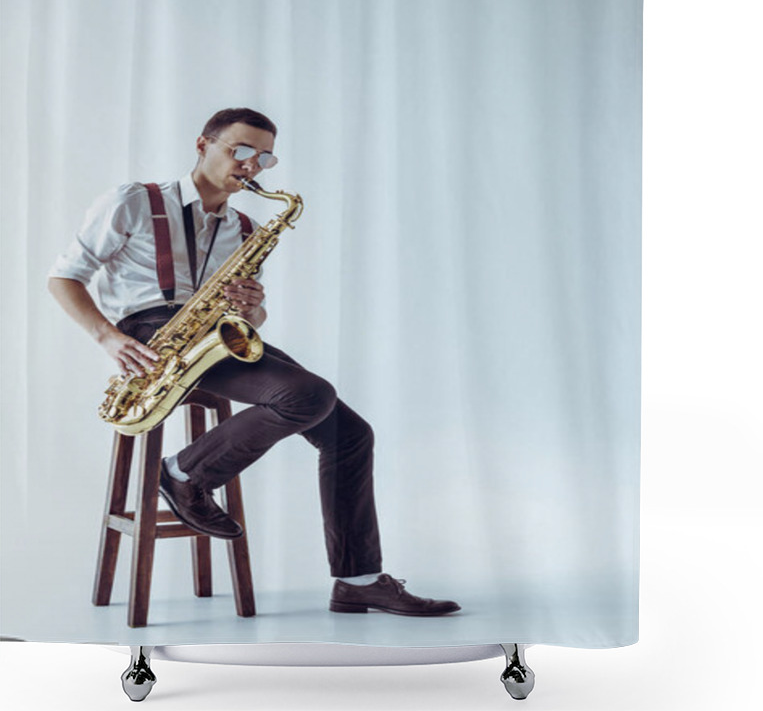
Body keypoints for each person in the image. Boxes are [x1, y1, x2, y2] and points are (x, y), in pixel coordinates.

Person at [47, 107, 460, 617]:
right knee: (309, 395)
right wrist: (107, 339)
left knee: (351, 434)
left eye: (264, 157)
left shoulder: (244, 227)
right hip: (152, 333)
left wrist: (252, 306)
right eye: (240, 150)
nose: (252, 166)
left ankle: (358, 579)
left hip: (212, 335)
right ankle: (181, 474)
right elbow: (64, 277)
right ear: (203, 144)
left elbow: (253, 319)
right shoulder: (134, 201)